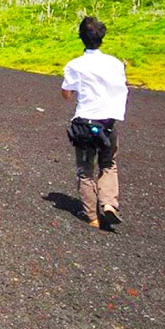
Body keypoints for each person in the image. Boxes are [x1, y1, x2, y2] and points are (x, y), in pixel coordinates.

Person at [61, 16, 128, 229]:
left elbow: (67, 95)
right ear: (102, 37)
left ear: (81, 37)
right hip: (108, 123)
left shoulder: (75, 65)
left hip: (84, 122)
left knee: (85, 169)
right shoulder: (115, 63)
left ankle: (92, 217)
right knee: (108, 164)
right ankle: (109, 204)